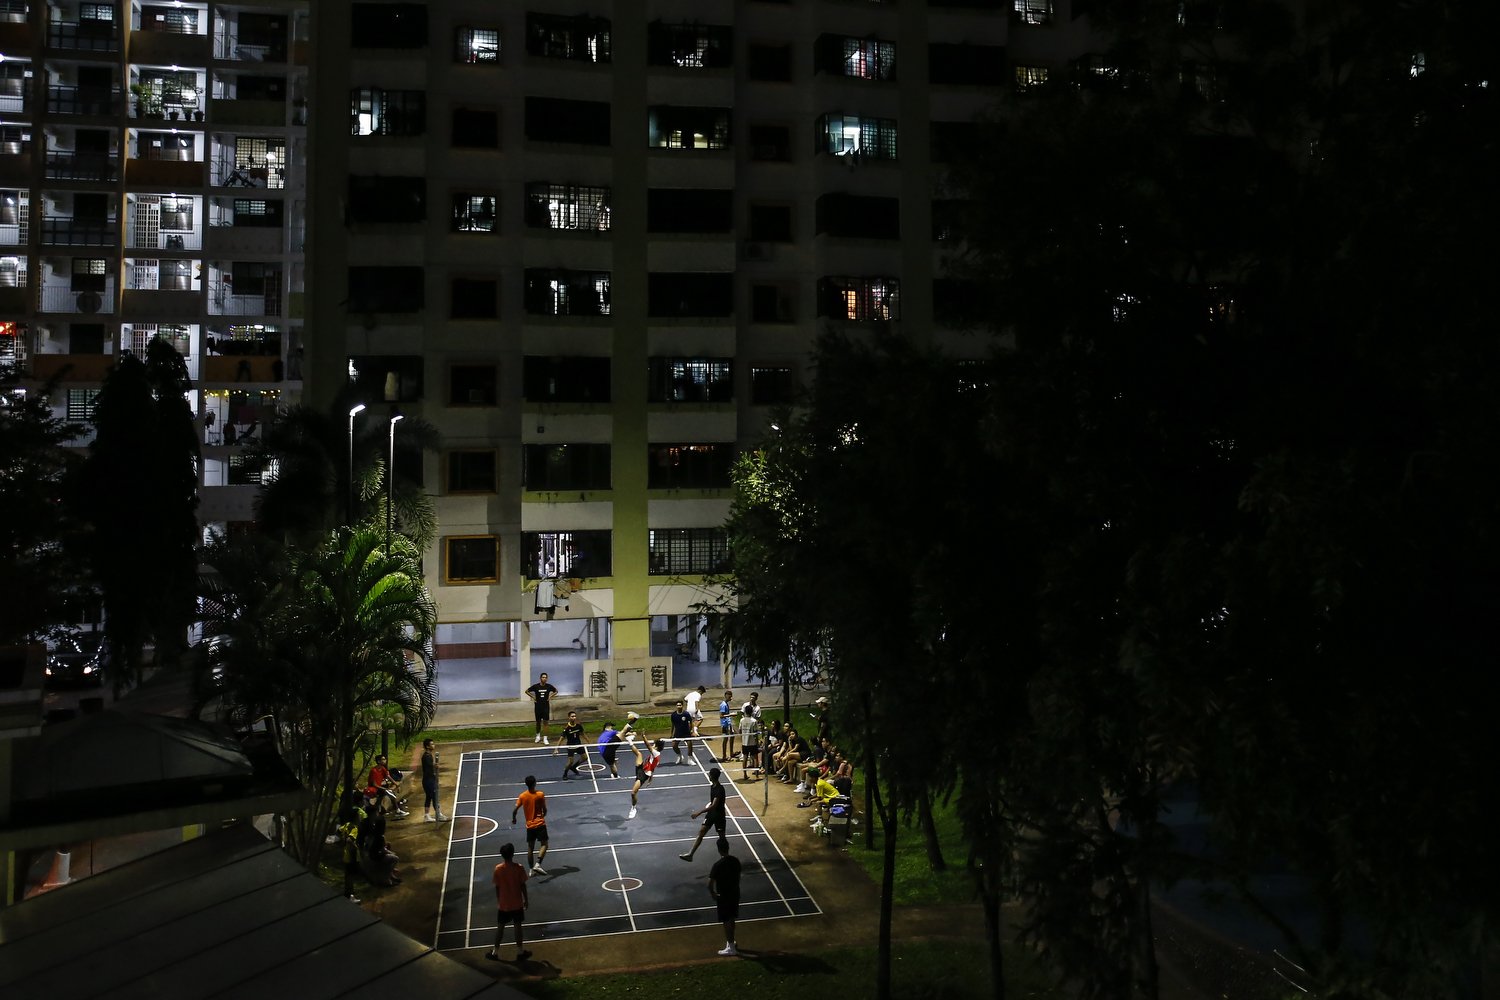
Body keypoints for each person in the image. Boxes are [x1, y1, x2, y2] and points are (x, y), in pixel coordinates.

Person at [487, 842, 531, 962]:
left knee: (500, 927)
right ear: (513, 854)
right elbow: (523, 885)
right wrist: (526, 900)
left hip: (504, 904)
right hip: (516, 903)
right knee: (518, 927)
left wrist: (499, 900)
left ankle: (495, 952)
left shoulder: (498, 869)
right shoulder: (519, 868)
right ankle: (520, 951)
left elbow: (497, 887)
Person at [680, 767, 727, 861]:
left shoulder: (719, 789)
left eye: (710, 774)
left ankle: (725, 857)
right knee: (701, 832)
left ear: (712, 776)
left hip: (719, 816)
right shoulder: (712, 786)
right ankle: (690, 855)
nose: (708, 775)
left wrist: (699, 812)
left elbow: (714, 805)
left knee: (721, 837)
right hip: (711, 814)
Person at [708, 837, 741, 956]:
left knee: (726, 921)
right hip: (735, 893)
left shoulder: (717, 865)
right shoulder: (735, 861)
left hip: (724, 896)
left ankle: (731, 948)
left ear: (718, 849)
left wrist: (713, 894)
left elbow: (710, 884)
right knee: (731, 918)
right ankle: (731, 942)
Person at [511, 775, 549, 875]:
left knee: (530, 848)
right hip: (540, 824)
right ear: (535, 783)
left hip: (530, 826)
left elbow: (515, 810)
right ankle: (538, 864)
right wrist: (542, 816)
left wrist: (514, 819)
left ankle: (531, 869)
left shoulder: (522, 796)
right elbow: (544, 810)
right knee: (544, 844)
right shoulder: (540, 794)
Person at [626, 737, 665, 819]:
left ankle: (633, 808)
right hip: (641, 767)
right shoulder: (655, 756)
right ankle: (629, 739)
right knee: (639, 754)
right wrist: (651, 778)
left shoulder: (656, 753)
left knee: (633, 793)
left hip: (643, 775)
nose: (653, 745)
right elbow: (653, 767)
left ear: (657, 747)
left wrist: (643, 736)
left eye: (654, 744)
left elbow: (648, 746)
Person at [337, 804, 363, 903]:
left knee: (348, 875)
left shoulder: (347, 825)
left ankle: (347, 893)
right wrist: (355, 847)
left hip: (345, 853)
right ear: (356, 817)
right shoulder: (354, 828)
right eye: (359, 816)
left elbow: (338, 831)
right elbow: (349, 839)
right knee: (350, 876)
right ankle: (350, 895)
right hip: (351, 855)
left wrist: (342, 841)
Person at [526, 671, 559, 744]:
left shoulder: (549, 686)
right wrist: (533, 697)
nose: (544, 679)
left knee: (545, 722)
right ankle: (537, 736)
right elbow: (526, 691)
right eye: (543, 677)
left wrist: (550, 696)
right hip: (538, 706)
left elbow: (556, 691)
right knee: (538, 722)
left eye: (546, 677)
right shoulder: (536, 686)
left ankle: (545, 738)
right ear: (540, 678)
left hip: (545, 707)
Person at [421, 738, 449, 821]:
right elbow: (429, 765)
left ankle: (426, 816)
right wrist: (435, 765)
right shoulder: (426, 756)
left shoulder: (429, 755)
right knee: (434, 797)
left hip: (429, 779)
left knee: (429, 797)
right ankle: (439, 814)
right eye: (432, 744)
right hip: (428, 781)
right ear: (427, 746)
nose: (434, 745)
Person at [560, 710, 586, 779]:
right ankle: (565, 773)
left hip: (578, 745)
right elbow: (561, 738)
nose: (574, 718)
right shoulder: (567, 728)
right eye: (572, 716)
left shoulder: (578, 726)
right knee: (570, 762)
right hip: (571, 746)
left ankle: (574, 767)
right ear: (569, 717)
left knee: (585, 758)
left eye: (574, 716)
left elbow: (583, 734)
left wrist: (588, 741)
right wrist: (556, 748)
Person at [738, 709, 761, 781]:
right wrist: (757, 742)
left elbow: (739, 731)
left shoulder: (742, 720)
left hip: (745, 742)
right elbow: (755, 733)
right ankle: (757, 776)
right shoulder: (754, 721)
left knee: (745, 758)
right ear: (751, 712)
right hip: (752, 743)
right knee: (755, 758)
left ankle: (745, 775)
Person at [669, 699, 693, 765]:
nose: (678, 706)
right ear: (676, 706)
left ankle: (689, 759)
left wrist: (691, 730)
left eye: (680, 705)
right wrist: (671, 734)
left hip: (686, 732)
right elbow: (673, 725)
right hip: (678, 733)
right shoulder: (673, 715)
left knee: (690, 744)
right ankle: (679, 756)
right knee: (674, 746)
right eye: (677, 705)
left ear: (682, 706)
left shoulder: (686, 714)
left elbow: (691, 722)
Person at [718, 690, 737, 762]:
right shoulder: (723, 705)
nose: (731, 697)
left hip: (728, 723)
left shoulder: (726, 704)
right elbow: (721, 715)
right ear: (726, 695)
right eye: (730, 696)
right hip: (725, 725)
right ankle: (724, 756)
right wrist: (731, 715)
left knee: (732, 736)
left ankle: (731, 753)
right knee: (725, 740)